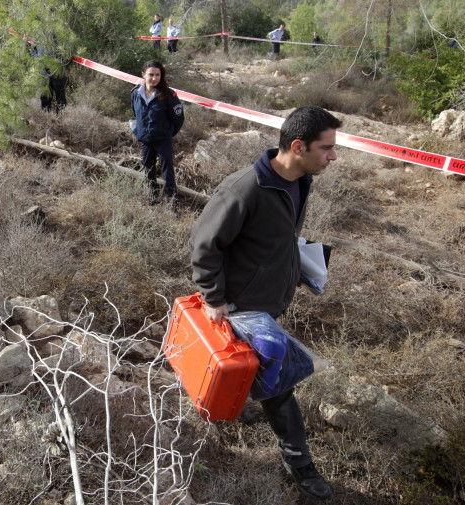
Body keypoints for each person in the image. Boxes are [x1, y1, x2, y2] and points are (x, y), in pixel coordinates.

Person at [189, 105, 341, 501]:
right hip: (243, 307)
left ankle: (232, 403)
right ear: (297, 146)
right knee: (281, 385)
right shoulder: (245, 188)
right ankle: (301, 466)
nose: (333, 156)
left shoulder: (300, 178)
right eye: (326, 148)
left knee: (250, 374)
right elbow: (203, 245)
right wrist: (216, 298)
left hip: (268, 299)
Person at [130, 60, 184, 210]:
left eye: (157, 75)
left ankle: (171, 203)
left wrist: (167, 133)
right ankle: (151, 195)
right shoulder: (135, 93)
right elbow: (136, 113)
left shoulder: (168, 95)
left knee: (167, 171)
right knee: (148, 168)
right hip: (146, 140)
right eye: (151, 75)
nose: (154, 78)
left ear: (162, 75)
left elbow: (178, 118)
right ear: (143, 75)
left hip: (163, 140)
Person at [31, 41, 68, 114]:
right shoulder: (38, 33)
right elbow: (32, 49)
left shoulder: (58, 32)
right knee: (44, 98)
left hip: (57, 70)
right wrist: (38, 59)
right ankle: (46, 119)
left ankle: (60, 120)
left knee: (60, 99)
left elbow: (68, 50)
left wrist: (60, 62)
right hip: (43, 70)